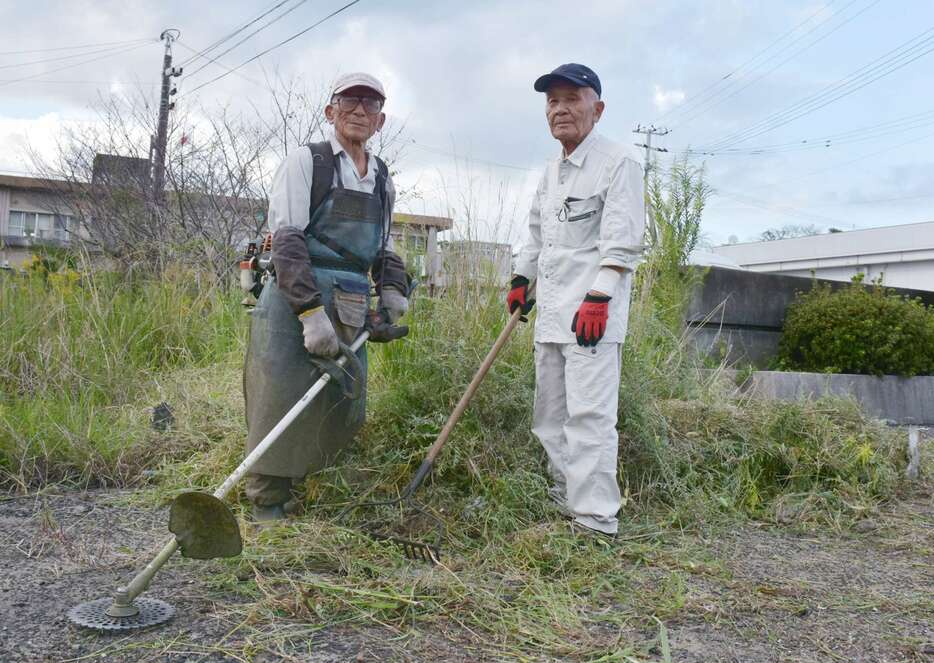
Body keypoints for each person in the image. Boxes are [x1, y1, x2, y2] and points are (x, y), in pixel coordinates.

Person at [243, 72, 410, 521]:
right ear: (330, 111)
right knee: (279, 397)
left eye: (370, 105)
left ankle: (308, 489)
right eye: (350, 101)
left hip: (352, 299)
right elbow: (287, 240)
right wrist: (310, 313)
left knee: (337, 400)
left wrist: (393, 290)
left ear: (381, 119)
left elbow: (384, 245)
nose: (360, 111)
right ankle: (267, 501)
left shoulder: (381, 177)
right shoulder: (308, 162)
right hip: (297, 296)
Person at [509, 63, 645, 537]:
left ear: (598, 108)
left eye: (572, 98)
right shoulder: (551, 172)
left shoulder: (619, 163)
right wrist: (521, 279)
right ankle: (564, 501)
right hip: (552, 314)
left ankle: (594, 519)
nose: (560, 109)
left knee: (589, 416)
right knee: (549, 417)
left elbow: (623, 241)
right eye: (552, 101)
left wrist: (600, 296)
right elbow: (535, 234)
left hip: (593, 315)